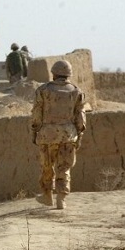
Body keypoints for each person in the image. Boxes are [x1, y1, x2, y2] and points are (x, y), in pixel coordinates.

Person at [31, 60, 86, 210]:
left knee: (47, 166)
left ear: (53, 74)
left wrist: (35, 130)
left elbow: (36, 114)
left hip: (46, 135)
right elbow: (80, 117)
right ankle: (61, 199)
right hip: (68, 135)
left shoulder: (43, 90)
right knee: (64, 167)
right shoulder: (76, 91)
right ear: (69, 74)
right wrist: (79, 133)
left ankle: (47, 196)